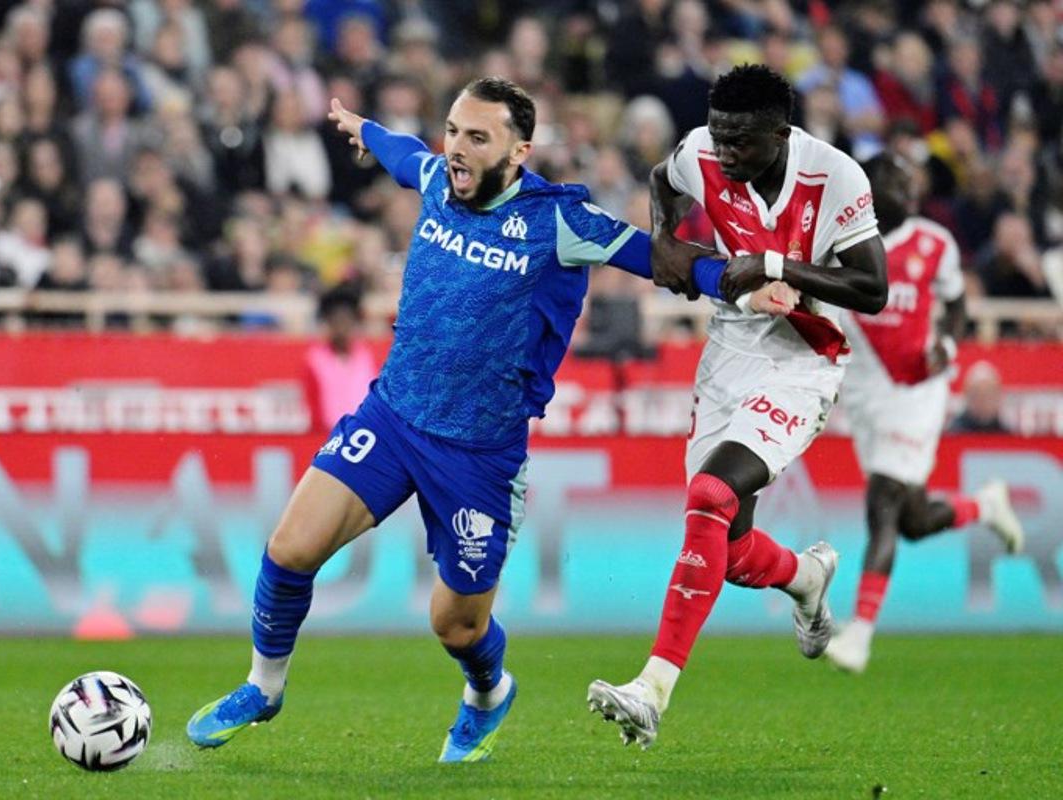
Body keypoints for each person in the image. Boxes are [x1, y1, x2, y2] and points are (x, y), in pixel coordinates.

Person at [185, 76, 793, 763]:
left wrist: (743, 283)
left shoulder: (557, 222)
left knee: (455, 625)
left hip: (479, 456)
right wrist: (362, 129)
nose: (457, 149)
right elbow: (401, 152)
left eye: (477, 137)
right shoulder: (438, 178)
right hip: (393, 416)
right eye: (453, 131)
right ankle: (263, 688)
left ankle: (487, 692)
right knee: (290, 548)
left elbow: (659, 258)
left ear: (519, 150)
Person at [587, 64, 890, 748]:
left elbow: (872, 288)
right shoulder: (700, 150)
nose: (724, 155)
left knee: (711, 491)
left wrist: (775, 266)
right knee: (726, 542)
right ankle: (807, 577)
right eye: (719, 139)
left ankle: (651, 688)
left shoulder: (835, 175)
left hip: (804, 357)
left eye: (741, 143)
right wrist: (665, 234)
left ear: (782, 133)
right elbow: (662, 179)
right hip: (729, 350)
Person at [825, 155, 1025, 675]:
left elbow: (957, 306)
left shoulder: (934, 242)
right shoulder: (838, 244)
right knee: (911, 520)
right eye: (894, 178)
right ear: (867, 190)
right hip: (865, 393)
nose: (908, 185)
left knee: (883, 502)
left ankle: (860, 633)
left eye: (909, 178)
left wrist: (949, 344)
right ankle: (983, 507)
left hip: (917, 390)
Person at [304, 283, 378, 431]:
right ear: (328, 323)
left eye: (346, 321)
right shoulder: (314, 359)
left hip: (364, 434)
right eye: (336, 321)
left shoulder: (367, 356)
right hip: (328, 436)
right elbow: (312, 404)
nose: (342, 328)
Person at [948, 360, 1012, 433]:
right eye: (976, 394)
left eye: (988, 394)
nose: (983, 401)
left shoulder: (1006, 434)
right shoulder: (953, 433)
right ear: (966, 395)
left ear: (998, 395)